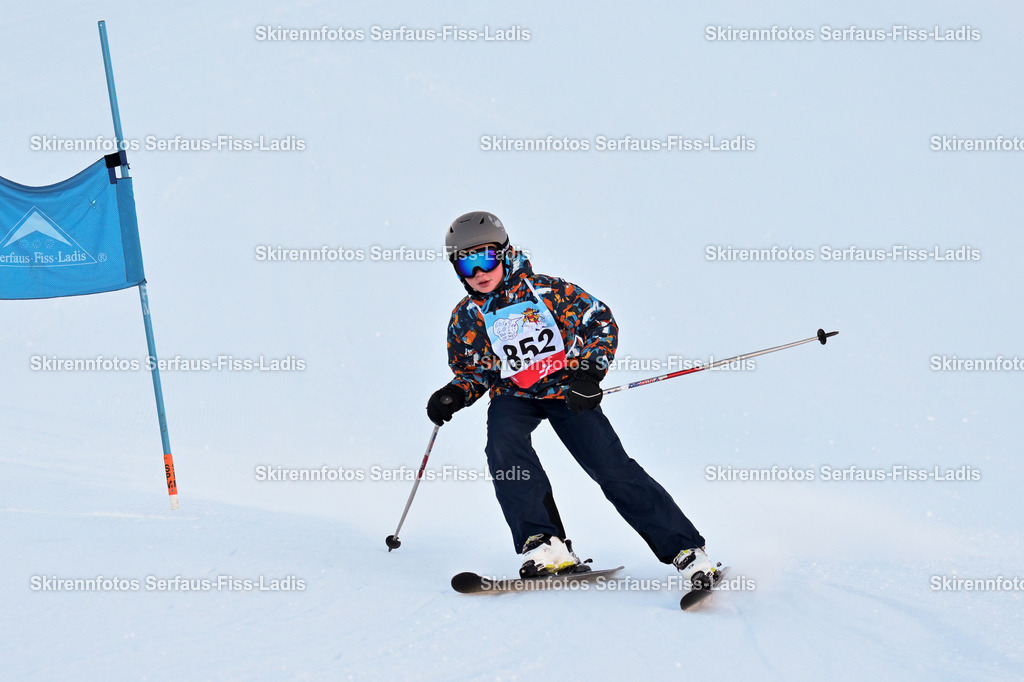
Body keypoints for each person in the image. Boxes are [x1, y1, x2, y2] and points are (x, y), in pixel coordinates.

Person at [427, 211, 717, 585]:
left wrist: (590, 374)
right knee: (503, 447)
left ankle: (686, 550)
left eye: (487, 258)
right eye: (467, 264)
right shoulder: (467, 316)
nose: (480, 272)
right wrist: (454, 393)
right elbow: (475, 371)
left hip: (567, 389)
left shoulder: (546, 292)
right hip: (513, 393)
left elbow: (600, 322)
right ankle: (543, 544)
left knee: (610, 466)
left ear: (506, 253)